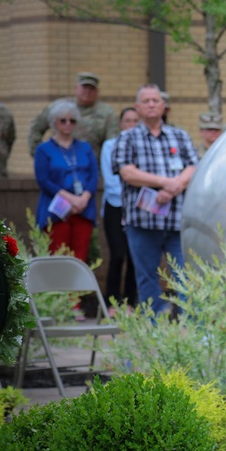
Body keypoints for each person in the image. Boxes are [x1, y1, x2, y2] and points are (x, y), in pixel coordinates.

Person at [112, 84, 198, 316]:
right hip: (142, 223)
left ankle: (194, 329)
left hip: (177, 223)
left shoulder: (180, 136)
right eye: (146, 101)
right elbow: (127, 172)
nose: (151, 104)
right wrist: (164, 182)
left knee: (185, 275)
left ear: (163, 106)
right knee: (147, 277)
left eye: (155, 100)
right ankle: (154, 329)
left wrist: (173, 188)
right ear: (137, 107)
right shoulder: (126, 138)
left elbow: (193, 167)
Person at [34, 100, 98, 266]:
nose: (68, 124)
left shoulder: (85, 147)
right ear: (54, 122)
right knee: (58, 258)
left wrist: (83, 198)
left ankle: (76, 293)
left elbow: (94, 176)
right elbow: (43, 180)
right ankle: (58, 293)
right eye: (63, 120)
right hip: (57, 209)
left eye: (72, 120)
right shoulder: (43, 149)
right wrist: (71, 198)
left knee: (80, 258)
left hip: (83, 209)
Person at [99, 107, 141, 314]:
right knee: (117, 254)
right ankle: (111, 303)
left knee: (135, 256)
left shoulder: (143, 144)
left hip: (137, 207)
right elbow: (111, 180)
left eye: (135, 121)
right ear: (121, 123)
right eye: (128, 120)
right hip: (115, 205)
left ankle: (130, 303)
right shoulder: (110, 146)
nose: (131, 125)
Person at [28, 72, 118, 162]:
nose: (88, 91)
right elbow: (36, 129)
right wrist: (40, 155)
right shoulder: (59, 107)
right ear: (76, 88)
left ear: (97, 91)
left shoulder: (106, 113)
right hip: (58, 165)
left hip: (91, 165)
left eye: (91, 88)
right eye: (84, 87)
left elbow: (112, 143)